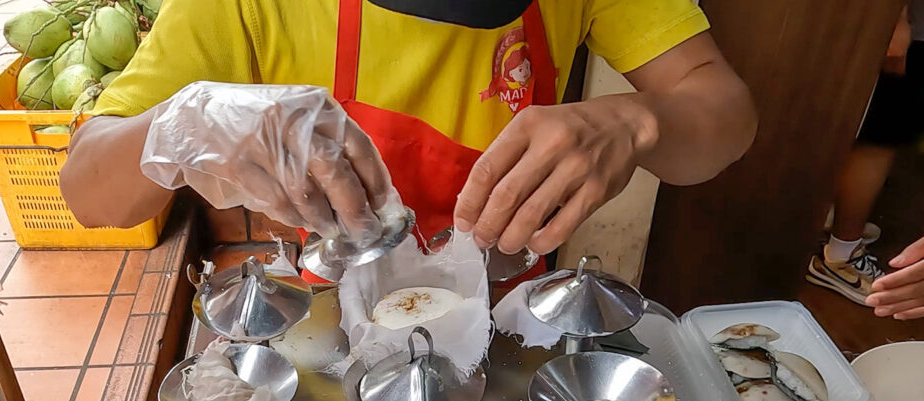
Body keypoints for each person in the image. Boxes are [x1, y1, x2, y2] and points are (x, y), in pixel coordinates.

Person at [60, 0, 756, 270]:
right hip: (333, 322)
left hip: (508, 322)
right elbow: (90, 191)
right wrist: (190, 121)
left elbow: (727, 113)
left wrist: (637, 120)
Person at [807, 1, 924, 306]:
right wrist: (897, 20)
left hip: (893, 21)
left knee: (875, 129)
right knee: (881, 136)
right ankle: (841, 256)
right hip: (905, 25)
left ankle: (838, 228)